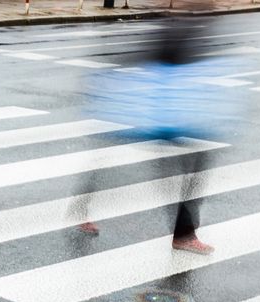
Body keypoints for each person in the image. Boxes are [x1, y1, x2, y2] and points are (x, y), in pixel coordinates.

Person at [75, 13, 222, 255]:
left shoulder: (193, 22)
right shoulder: (181, 25)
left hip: (170, 112)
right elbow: (154, 58)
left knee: (192, 167)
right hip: (161, 114)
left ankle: (80, 209)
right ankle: (183, 235)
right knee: (180, 171)